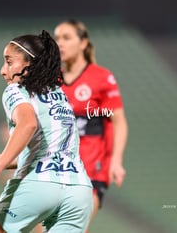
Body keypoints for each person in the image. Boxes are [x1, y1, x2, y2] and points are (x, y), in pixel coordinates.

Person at [0, 30, 93, 233]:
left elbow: (27, 124)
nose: (2, 70)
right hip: (79, 192)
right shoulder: (60, 96)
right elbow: (43, 151)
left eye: (9, 62)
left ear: (29, 65)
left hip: (39, 186)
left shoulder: (16, 91)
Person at [54, 19, 128, 233]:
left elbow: (119, 122)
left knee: (72, 229)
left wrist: (116, 161)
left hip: (92, 170)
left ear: (83, 43)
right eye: (57, 38)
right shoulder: (52, 80)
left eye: (66, 38)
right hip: (57, 169)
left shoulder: (101, 78)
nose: (60, 43)